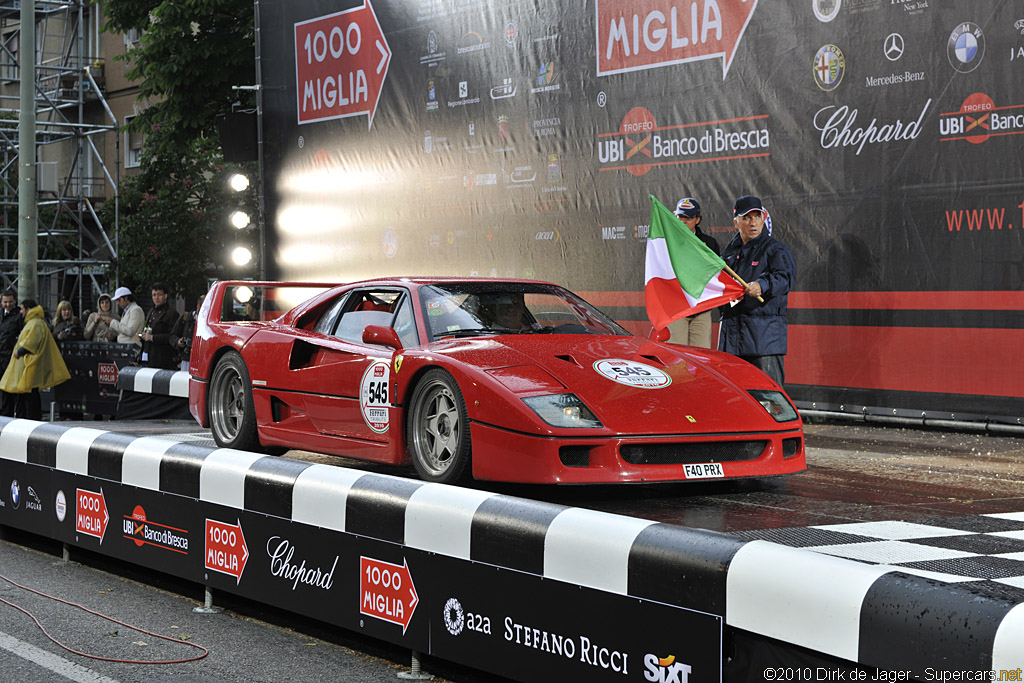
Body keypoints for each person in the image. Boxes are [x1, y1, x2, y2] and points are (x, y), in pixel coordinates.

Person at [719, 195, 796, 386]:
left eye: (757, 217)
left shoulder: (775, 250)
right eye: (746, 218)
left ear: (763, 219)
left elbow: (785, 278)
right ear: (736, 222)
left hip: (764, 340)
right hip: (732, 339)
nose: (753, 222)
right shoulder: (728, 254)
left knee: (769, 398)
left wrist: (762, 285)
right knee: (736, 397)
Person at [0, 299, 71, 420]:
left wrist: (20, 351)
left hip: (30, 365)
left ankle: (32, 419)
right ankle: (30, 418)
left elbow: (32, 342)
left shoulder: (35, 324)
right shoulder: (35, 323)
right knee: (29, 393)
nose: (21, 312)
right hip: (29, 364)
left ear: (28, 310)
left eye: (22, 309)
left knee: (30, 394)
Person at [666, 197, 720, 348]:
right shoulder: (665, 241)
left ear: (697, 219)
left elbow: (716, 275)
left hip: (701, 308)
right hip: (676, 307)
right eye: (680, 217)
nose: (683, 221)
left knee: (700, 356)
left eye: (688, 218)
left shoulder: (709, 244)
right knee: (676, 357)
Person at [138, 282, 180, 369]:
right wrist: (142, 335)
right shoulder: (151, 311)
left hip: (163, 359)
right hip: (147, 355)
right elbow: (148, 328)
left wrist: (152, 338)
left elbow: (172, 337)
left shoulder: (172, 313)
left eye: (159, 295)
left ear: (165, 296)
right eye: (154, 295)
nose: (156, 298)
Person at [0, 287, 23, 417]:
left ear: (14, 301)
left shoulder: (18, 316)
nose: (8, 304)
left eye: (10, 302)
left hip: (11, 356)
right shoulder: (1, 315)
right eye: (5, 302)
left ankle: (14, 415)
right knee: (2, 388)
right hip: (1, 355)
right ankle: (5, 415)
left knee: (13, 388)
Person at [169, 294, 204, 370]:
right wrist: (178, 341)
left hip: (203, 360)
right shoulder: (186, 318)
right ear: (198, 306)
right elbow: (172, 335)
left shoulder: (210, 322)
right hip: (186, 359)